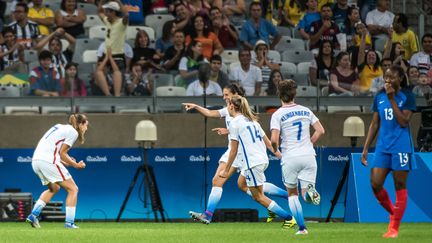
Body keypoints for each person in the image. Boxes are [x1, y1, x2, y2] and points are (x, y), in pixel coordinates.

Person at [184, 83, 292, 225]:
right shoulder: (232, 111)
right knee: (237, 184)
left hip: (244, 153)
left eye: (226, 94)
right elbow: (211, 114)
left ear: (234, 95)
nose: (224, 97)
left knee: (245, 188)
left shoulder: (240, 111)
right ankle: (208, 214)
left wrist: (229, 132)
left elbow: (242, 130)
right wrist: (197, 107)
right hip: (240, 153)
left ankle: (284, 202)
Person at [217, 95, 296, 227]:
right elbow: (269, 144)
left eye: (228, 105)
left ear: (231, 106)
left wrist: (226, 170)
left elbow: (233, 150)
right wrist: (281, 156)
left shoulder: (235, 122)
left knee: (258, 197)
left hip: (252, 163)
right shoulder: (253, 122)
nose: (227, 107)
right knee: (241, 184)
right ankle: (278, 203)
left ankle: (288, 218)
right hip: (262, 160)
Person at [361, 65, 416, 238]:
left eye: (391, 77)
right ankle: (393, 212)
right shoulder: (379, 96)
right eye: (385, 77)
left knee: (399, 184)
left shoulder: (407, 96)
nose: (387, 80)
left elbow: (403, 121)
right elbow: (375, 124)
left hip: (401, 146)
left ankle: (394, 228)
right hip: (383, 147)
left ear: (400, 78)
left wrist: (392, 99)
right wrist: (365, 148)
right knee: (375, 183)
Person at [270, 79, 325, 235]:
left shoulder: (277, 114)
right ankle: (309, 192)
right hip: (308, 155)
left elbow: (274, 139)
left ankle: (302, 228)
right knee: (305, 194)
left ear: (279, 94)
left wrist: (276, 150)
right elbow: (320, 130)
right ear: (295, 93)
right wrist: (309, 143)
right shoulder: (306, 110)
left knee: (292, 194)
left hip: (290, 157)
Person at [26, 114, 89, 229]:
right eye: (86, 125)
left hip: (36, 161)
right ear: (80, 124)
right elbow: (62, 153)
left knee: (54, 188)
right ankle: (69, 223)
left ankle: (33, 215)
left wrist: (66, 162)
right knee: (73, 189)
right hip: (48, 161)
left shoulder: (59, 126)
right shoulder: (73, 132)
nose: (86, 128)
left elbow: (53, 149)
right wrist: (76, 165)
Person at [97, 0, 129, 72]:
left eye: (107, 11)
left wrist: (118, 2)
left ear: (113, 12)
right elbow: (99, 12)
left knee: (118, 81)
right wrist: (102, 1)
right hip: (106, 56)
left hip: (117, 58)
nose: (105, 13)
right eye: (105, 11)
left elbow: (126, 15)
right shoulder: (107, 20)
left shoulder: (121, 23)